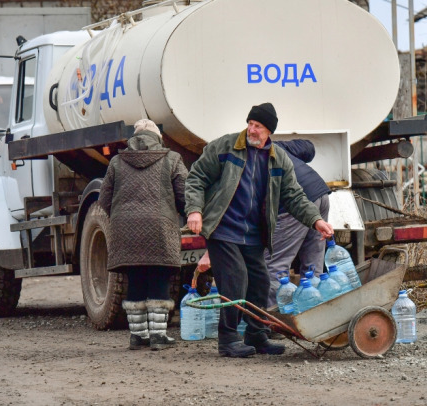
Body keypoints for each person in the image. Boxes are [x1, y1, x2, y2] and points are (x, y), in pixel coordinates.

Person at [185, 102, 334, 358]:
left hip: (254, 233)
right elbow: (197, 177)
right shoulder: (225, 146)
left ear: (269, 132)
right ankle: (228, 339)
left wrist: (315, 220)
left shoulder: (278, 158)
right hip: (223, 229)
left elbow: (294, 195)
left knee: (260, 282)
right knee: (234, 279)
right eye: (250, 124)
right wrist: (195, 210)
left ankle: (256, 334)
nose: (252, 130)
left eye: (259, 127)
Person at [98, 119, 188, 351]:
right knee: (159, 276)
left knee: (135, 277)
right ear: (158, 137)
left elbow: (103, 200)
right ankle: (158, 335)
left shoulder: (117, 162)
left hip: (125, 229)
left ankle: (137, 336)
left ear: (133, 138)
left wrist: (121, 218)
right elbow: (184, 195)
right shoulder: (171, 159)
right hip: (159, 228)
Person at [265, 139, 331, 308]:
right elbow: (308, 147)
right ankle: (315, 313)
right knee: (313, 266)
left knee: (273, 265)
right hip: (319, 192)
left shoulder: (244, 159)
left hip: (295, 203)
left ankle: (276, 319)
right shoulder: (276, 146)